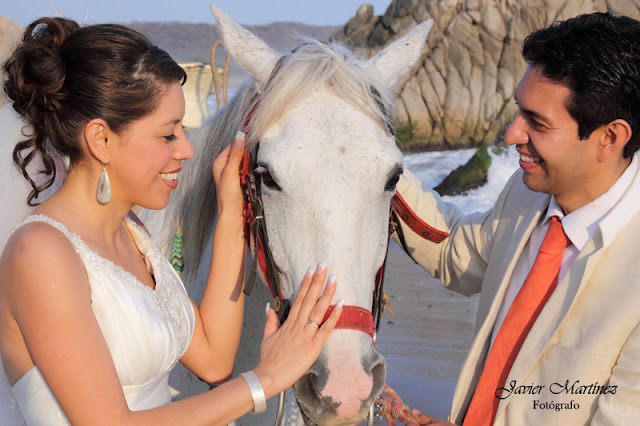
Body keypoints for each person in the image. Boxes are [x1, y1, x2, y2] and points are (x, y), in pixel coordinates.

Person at [0, 17, 343, 425]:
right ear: (101, 140)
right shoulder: (40, 253)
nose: (187, 150)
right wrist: (264, 380)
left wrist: (231, 213)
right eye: (168, 134)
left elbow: (214, 358)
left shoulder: (133, 235)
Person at [398, 12, 640, 426]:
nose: (511, 135)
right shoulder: (526, 192)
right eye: (518, 111)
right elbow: (455, 251)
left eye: (537, 123)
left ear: (610, 138)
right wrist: (372, 160)